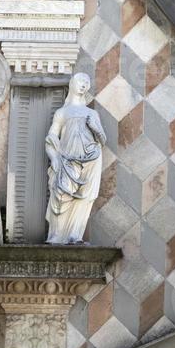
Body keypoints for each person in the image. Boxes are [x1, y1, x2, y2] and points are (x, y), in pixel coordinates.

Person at [45, 73, 105, 244]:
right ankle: (57, 235)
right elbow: (51, 138)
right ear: (72, 84)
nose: (84, 85)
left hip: (90, 160)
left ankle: (74, 235)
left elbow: (103, 140)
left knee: (84, 197)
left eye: (87, 82)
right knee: (61, 194)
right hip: (66, 160)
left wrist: (95, 127)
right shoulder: (62, 112)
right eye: (80, 81)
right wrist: (54, 158)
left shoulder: (92, 113)